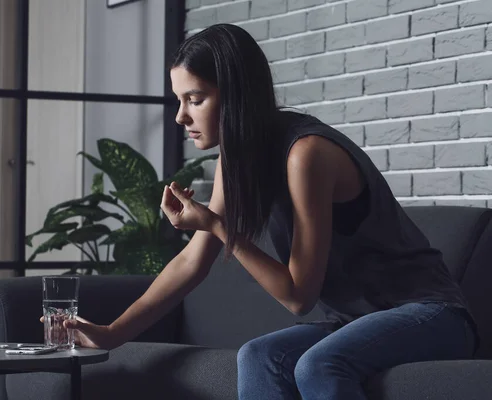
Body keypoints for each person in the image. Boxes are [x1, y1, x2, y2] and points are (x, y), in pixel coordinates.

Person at [61, 24, 478, 399]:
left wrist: (215, 224)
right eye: (179, 100)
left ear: (236, 94)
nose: (180, 116)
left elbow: (298, 296)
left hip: (430, 315)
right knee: (259, 356)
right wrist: (113, 333)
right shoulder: (236, 159)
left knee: (319, 364)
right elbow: (191, 262)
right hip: (352, 323)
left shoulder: (305, 154)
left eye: (195, 99)